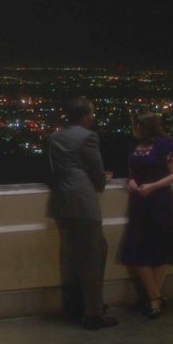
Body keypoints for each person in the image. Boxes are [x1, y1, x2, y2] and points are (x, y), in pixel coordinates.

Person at [46, 97, 117, 330]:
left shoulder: (55, 136)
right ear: (85, 115)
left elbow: (55, 169)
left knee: (73, 255)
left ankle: (76, 305)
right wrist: (102, 181)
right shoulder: (88, 137)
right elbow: (96, 170)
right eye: (92, 113)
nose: (94, 117)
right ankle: (94, 314)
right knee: (93, 255)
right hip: (82, 201)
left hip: (60, 201)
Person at [119, 111, 173, 319]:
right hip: (140, 202)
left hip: (160, 200)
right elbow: (133, 170)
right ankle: (156, 297)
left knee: (162, 247)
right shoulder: (133, 145)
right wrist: (130, 181)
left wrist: (153, 186)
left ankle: (153, 300)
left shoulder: (165, 144)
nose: (134, 130)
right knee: (138, 249)